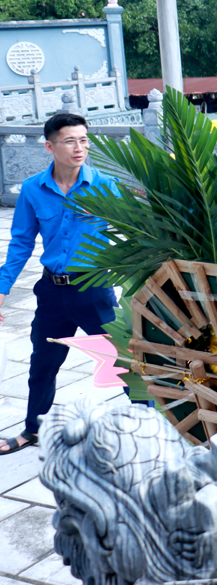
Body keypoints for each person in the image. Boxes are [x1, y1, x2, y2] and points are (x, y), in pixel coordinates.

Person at [0, 114, 118, 454]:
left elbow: (130, 233)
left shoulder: (104, 186)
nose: (79, 147)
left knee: (120, 360)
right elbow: (21, 242)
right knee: (43, 363)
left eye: (83, 139)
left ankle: (148, 426)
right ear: (50, 146)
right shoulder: (33, 189)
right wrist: (3, 289)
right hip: (51, 291)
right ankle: (33, 429)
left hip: (94, 289)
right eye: (70, 141)